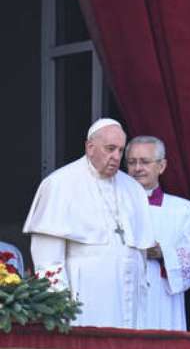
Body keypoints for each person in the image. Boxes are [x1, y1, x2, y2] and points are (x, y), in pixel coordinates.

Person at [23, 118, 155, 327]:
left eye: (120, 151)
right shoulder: (60, 184)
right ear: (90, 147)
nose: (116, 157)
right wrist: (58, 308)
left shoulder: (133, 189)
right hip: (84, 302)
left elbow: (141, 254)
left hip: (129, 302)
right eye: (110, 149)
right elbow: (48, 259)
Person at [125, 136, 190, 330]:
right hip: (122, 291)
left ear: (162, 166)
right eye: (132, 162)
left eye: (145, 162)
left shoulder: (183, 210)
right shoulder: (113, 206)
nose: (137, 168)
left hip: (162, 295)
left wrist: (164, 254)